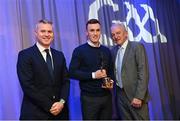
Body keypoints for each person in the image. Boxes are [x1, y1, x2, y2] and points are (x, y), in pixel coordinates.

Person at [17, 19, 70, 120]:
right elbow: (28, 86)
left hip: (60, 114)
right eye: (43, 31)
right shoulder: (25, 55)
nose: (47, 34)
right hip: (35, 114)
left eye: (49, 31)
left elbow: (66, 82)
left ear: (53, 34)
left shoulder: (59, 55)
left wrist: (61, 102)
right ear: (36, 33)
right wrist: (51, 106)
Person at [69, 19, 114, 120]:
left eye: (97, 30)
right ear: (86, 33)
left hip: (107, 97)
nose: (95, 33)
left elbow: (111, 71)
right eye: (92, 30)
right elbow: (72, 73)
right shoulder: (79, 50)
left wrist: (111, 81)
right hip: (89, 99)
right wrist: (93, 75)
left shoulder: (106, 50)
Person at [110, 23, 150, 120]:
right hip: (120, 96)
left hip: (135, 96)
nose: (116, 36)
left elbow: (143, 73)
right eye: (113, 34)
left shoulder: (137, 47)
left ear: (126, 34)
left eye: (118, 33)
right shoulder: (113, 51)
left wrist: (139, 97)